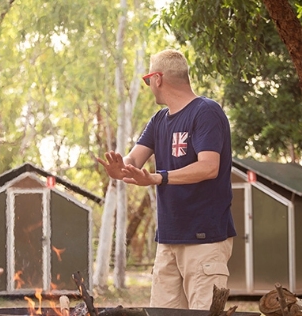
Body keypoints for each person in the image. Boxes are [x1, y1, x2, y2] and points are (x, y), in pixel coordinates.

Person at [96, 49, 236, 310]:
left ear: (157, 78)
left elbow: (208, 167)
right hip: (168, 240)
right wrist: (119, 171)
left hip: (205, 240)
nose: (149, 86)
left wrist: (159, 178)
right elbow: (133, 161)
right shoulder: (159, 120)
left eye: (147, 80)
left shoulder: (206, 112)